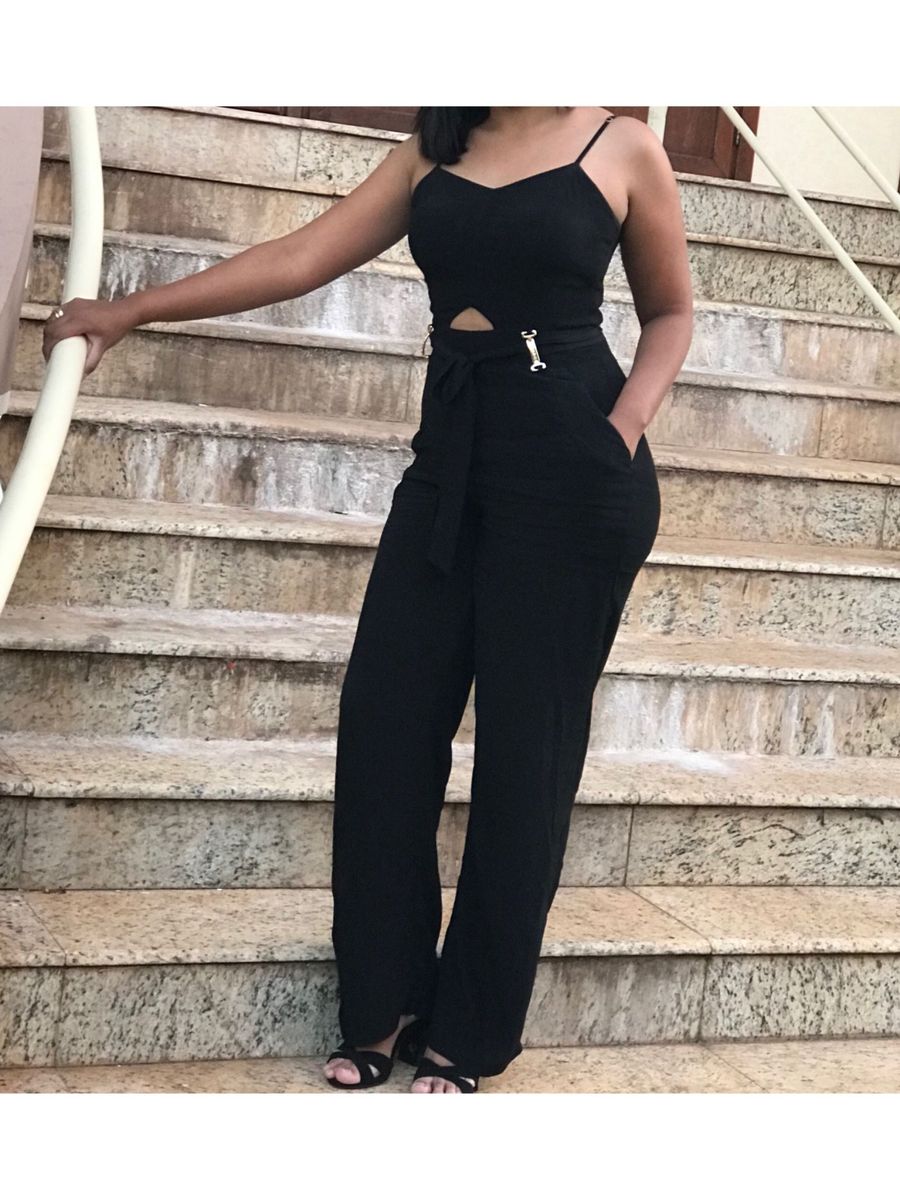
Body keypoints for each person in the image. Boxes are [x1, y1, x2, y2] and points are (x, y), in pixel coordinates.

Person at [42, 105, 693, 1094]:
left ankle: (468, 1031)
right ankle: (382, 1002)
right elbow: (301, 257)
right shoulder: (436, 146)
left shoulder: (621, 146)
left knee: (526, 756)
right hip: (451, 457)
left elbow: (671, 313)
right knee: (386, 725)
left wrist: (623, 428)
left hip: (574, 468)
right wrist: (132, 312)